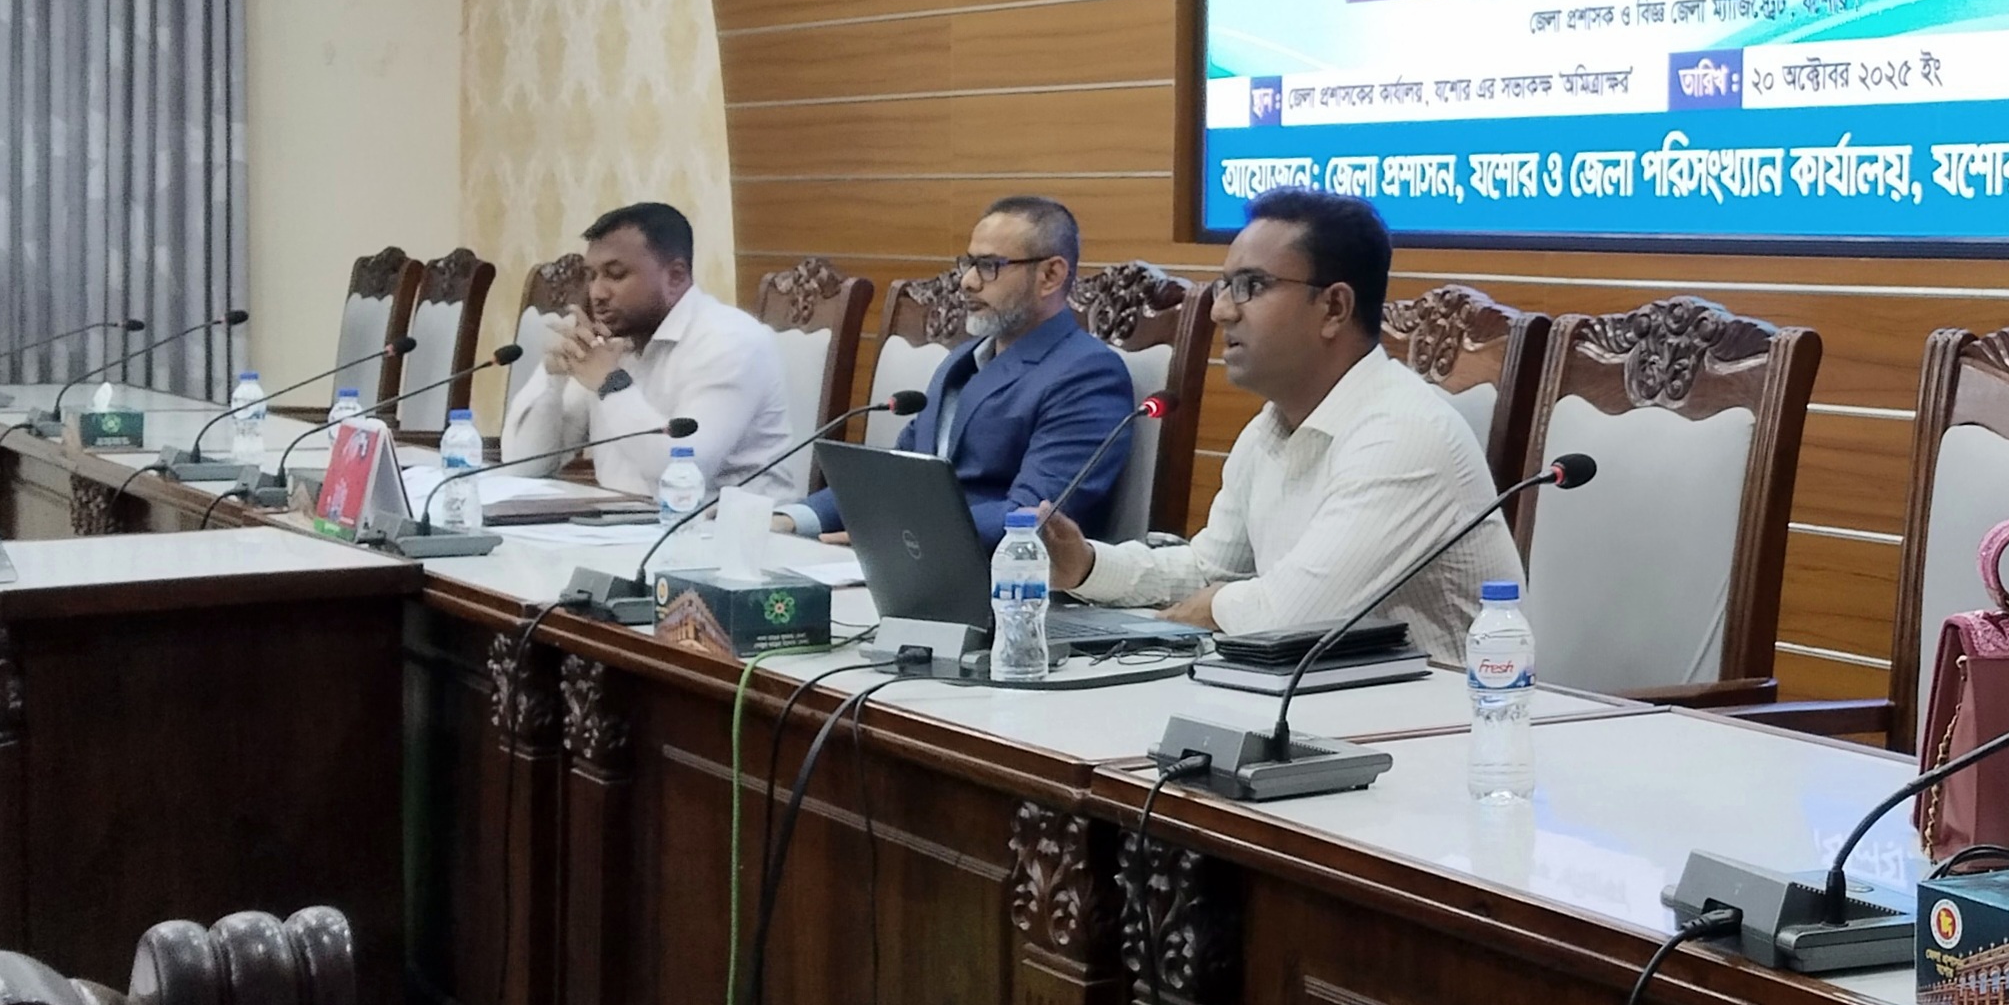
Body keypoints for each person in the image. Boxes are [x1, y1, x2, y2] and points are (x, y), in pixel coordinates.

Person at [1040, 191, 1516, 658]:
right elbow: (1210, 570)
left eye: (1251, 286)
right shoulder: (1269, 428)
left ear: (1334, 308)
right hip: (1317, 692)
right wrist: (1088, 565)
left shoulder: (1404, 433)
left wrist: (1216, 605)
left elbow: (1294, 614)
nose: (1221, 310)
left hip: (1448, 705)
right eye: (1225, 286)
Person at [787, 197, 1134, 543]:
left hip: (998, 571)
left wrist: (897, 532)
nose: (967, 281)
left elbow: (1036, 515)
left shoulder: (1088, 374)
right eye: (969, 264)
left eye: (989, 266)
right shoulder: (961, 360)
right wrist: (794, 519)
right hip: (909, 556)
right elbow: (893, 478)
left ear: (1050, 276)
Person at [499, 200, 792, 494]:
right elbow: (524, 466)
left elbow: (683, 468)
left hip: (720, 520)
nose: (597, 293)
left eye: (615, 274)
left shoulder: (730, 340)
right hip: (619, 516)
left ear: (675, 277)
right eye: (592, 276)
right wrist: (553, 379)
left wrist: (611, 384)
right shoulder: (611, 343)